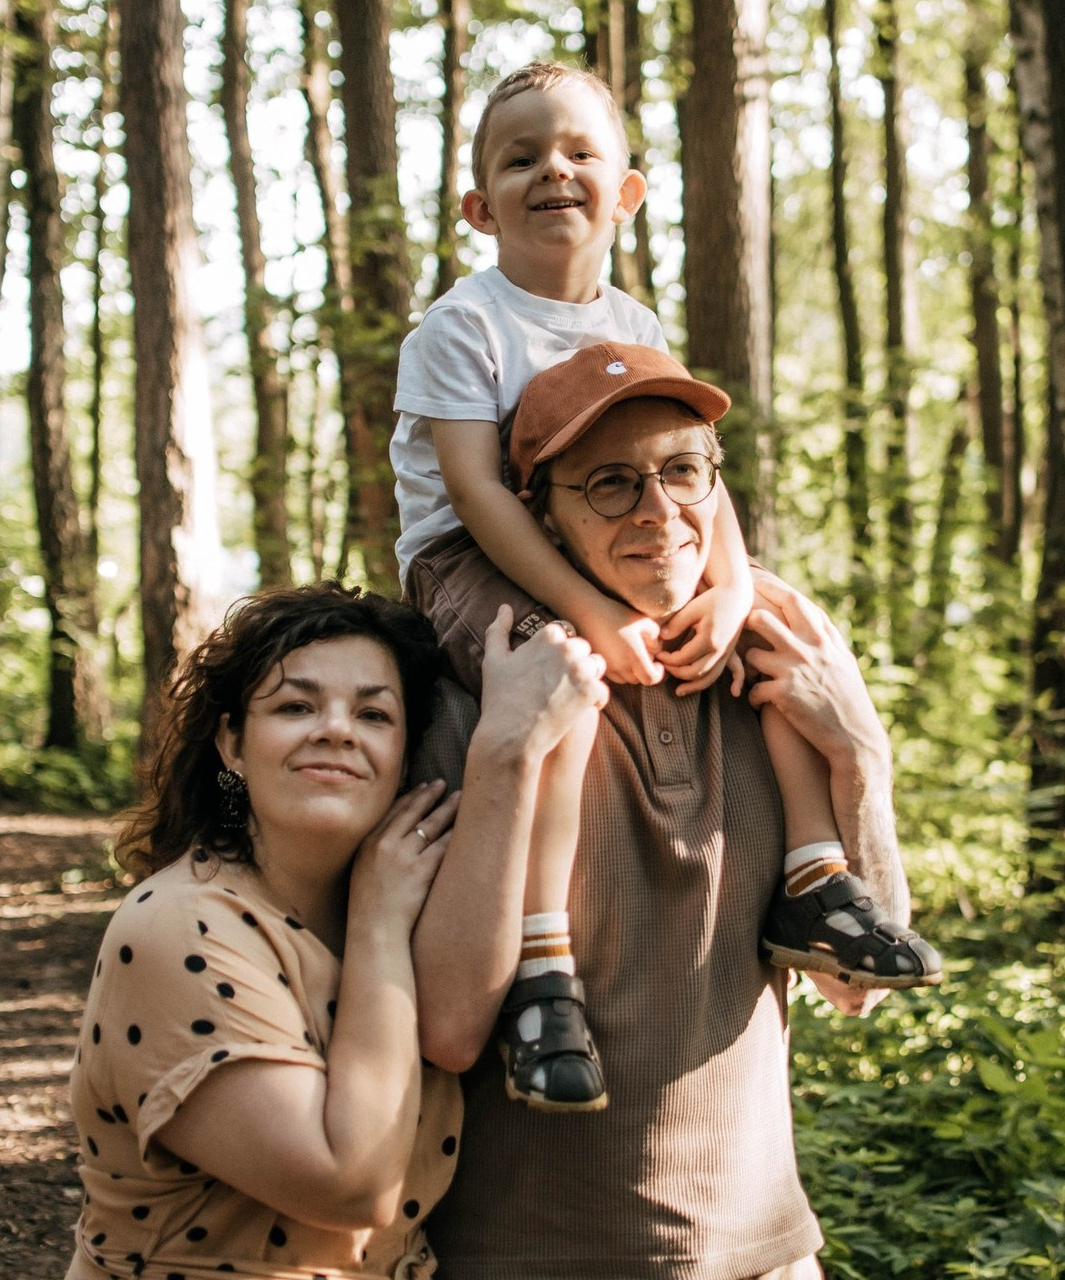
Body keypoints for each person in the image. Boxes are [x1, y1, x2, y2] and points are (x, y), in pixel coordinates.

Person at [391, 63, 938, 1113]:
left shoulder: (634, 324)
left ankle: (817, 880)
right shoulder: (464, 327)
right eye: (521, 157)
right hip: (469, 553)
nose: (552, 168)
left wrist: (730, 594)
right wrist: (591, 612)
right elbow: (479, 493)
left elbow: (692, 471)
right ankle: (543, 961)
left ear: (626, 190)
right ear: (479, 205)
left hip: (584, 542)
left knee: (773, 620)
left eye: (578, 151)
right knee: (551, 673)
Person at [408, 348, 941, 1280]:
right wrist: (507, 746)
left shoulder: (778, 678)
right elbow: (450, 1027)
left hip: (765, 1254)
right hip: (531, 1256)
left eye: (684, 471)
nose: (661, 513)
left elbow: (857, 983)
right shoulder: (479, 693)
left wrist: (861, 751)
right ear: (541, 518)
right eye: (611, 485)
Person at [64, 583, 608, 1280]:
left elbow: (457, 1033)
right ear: (232, 743)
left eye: (374, 713)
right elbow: (353, 1186)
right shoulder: (179, 928)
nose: (336, 729)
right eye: (296, 706)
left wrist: (513, 750)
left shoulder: (404, 899)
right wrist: (379, 924)